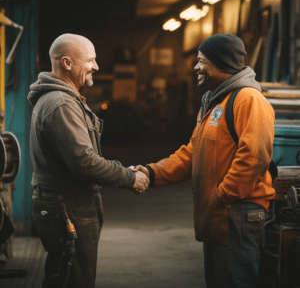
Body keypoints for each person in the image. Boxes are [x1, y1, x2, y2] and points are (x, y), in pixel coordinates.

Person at [133, 34, 276, 288]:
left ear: (221, 64)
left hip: (236, 214)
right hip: (219, 215)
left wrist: (223, 195)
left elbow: (254, 157)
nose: (196, 67)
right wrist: (152, 172)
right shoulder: (213, 102)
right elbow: (192, 154)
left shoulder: (248, 100)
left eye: (202, 61)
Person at [27, 33, 149, 288]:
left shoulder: (63, 99)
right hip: (68, 208)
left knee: (64, 275)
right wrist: (130, 178)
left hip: (68, 206)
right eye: (90, 60)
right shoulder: (60, 103)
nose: (96, 66)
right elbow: (84, 163)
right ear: (67, 63)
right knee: (74, 279)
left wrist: (121, 171)